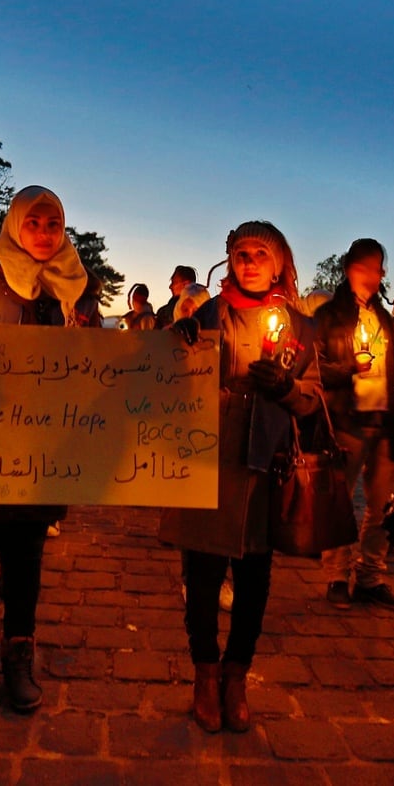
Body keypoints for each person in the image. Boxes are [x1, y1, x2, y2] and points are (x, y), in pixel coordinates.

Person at [0, 186, 100, 717]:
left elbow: (95, 366)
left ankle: (18, 655)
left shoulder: (78, 287)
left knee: (28, 553)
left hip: (45, 444)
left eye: (54, 224)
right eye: (35, 223)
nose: (45, 234)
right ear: (13, 225)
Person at [161, 220, 323, 734]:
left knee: (255, 577)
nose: (248, 262)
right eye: (239, 253)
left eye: (259, 253)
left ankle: (237, 675)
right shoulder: (207, 313)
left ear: (279, 263)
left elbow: (314, 399)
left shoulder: (297, 327)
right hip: (208, 460)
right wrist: (176, 341)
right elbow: (168, 376)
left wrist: (285, 390)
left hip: (266, 462)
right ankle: (204, 674)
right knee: (203, 575)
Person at [315, 238, 394, 610]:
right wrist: (349, 368)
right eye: (367, 266)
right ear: (350, 269)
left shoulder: (385, 319)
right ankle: (337, 575)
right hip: (346, 420)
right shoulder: (328, 317)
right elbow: (314, 368)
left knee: (383, 505)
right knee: (339, 501)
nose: (376, 273)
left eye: (379, 266)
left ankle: (370, 576)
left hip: (385, 421)